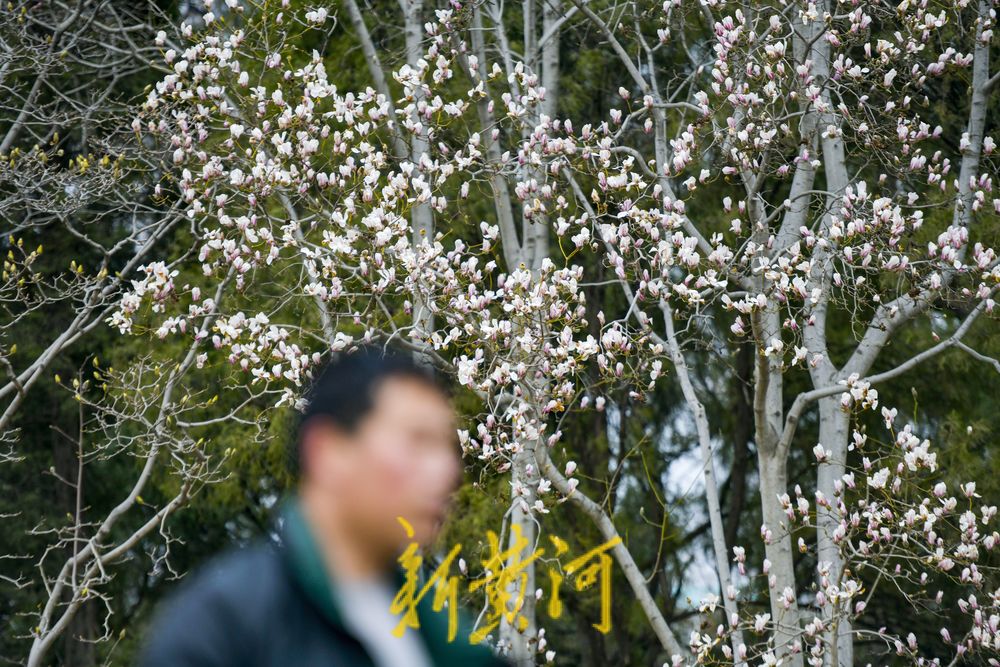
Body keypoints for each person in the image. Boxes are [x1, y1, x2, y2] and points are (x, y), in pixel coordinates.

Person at [138, 347, 510, 667]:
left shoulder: (444, 635)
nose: (447, 471)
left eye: (446, 447)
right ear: (328, 452)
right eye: (417, 441)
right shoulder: (226, 625)